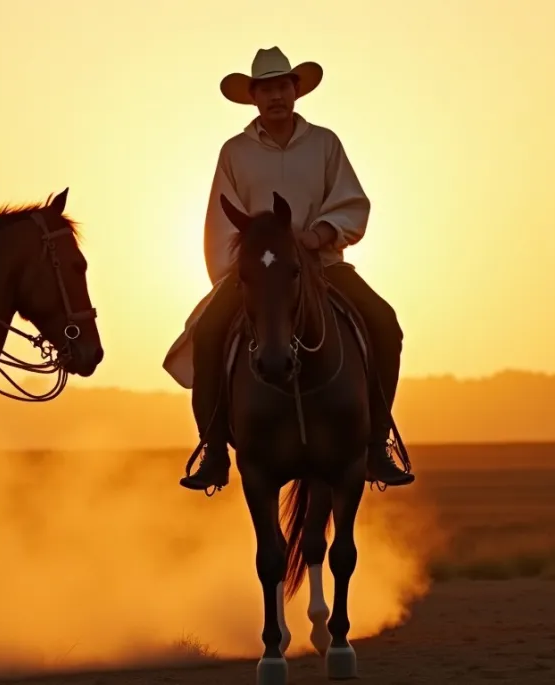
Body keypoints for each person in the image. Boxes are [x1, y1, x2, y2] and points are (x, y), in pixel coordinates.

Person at [177, 46, 414, 492]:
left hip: (322, 265)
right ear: (254, 97)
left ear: (296, 90)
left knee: (386, 325)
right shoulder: (235, 152)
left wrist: (320, 234)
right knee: (208, 334)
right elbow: (222, 216)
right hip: (260, 272)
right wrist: (240, 270)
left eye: (283, 86)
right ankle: (212, 451)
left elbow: (351, 200)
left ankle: (376, 444)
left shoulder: (325, 143)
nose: (275, 96)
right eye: (266, 88)